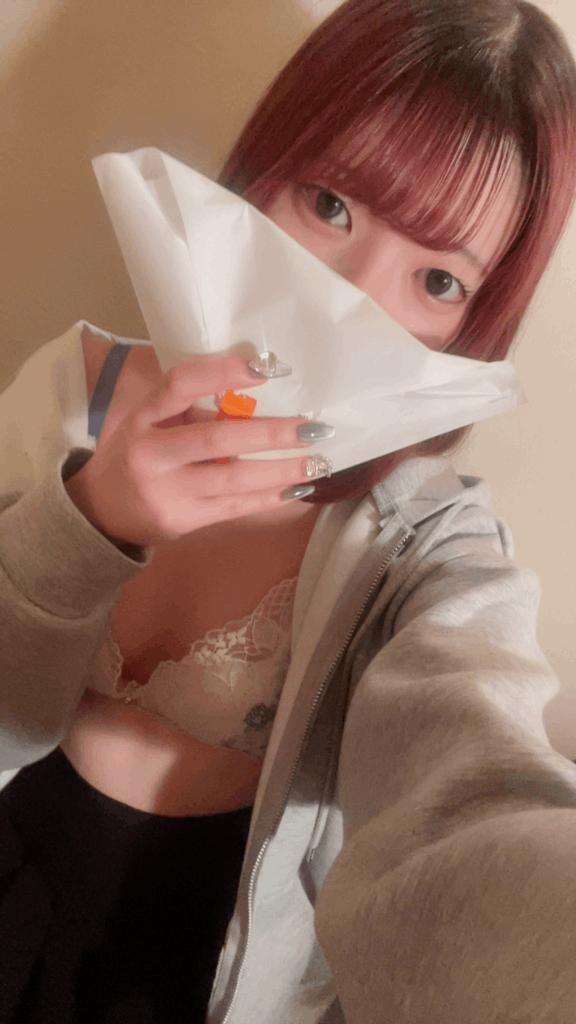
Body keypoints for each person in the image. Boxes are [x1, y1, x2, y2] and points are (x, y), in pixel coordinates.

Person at [1, 0, 576, 1021]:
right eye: (331, 204)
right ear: (261, 172)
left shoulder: (424, 550)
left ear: (475, 328)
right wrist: (86, 520)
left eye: (437, 279)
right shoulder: (71, 388)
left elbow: (474, 792)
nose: (346, 297)